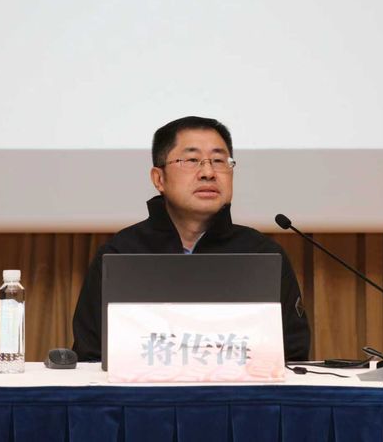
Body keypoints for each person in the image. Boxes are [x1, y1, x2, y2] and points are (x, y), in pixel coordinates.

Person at [71, 116, 310, 361]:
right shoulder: (120, 254)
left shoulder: (262, 255)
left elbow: (292, 353)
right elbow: (90, 354)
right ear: (159, 179)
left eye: (219, 161)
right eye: (192, 160)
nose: (208, 173)